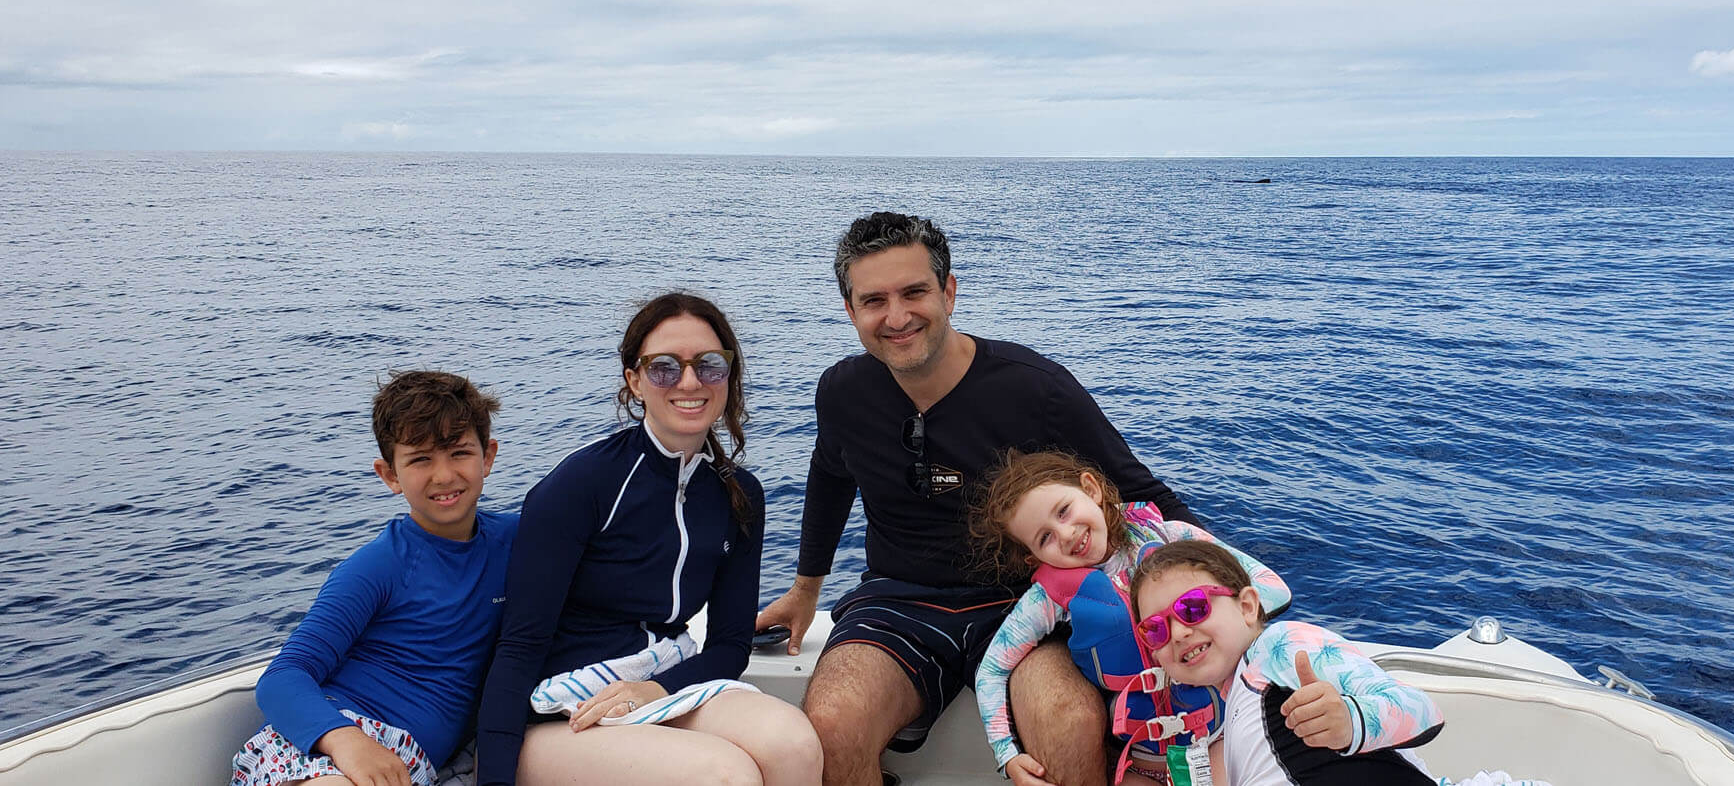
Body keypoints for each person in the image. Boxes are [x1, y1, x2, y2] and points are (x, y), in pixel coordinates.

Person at [755, 211, 1198, 786]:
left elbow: (1142, 496)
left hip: (1029, 606)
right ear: (851, 311)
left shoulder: (1036, 388)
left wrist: (1206, 602)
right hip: (898, 601)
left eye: (914, 292)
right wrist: (805, 589)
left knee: (1069, 721)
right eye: (874, 300)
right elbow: (830, 475)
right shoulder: (843, 391)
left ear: (949, 292)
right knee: (832, 724)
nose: (896, 317)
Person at [475, 293, 820, 786]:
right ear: (634, 382)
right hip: (561, 710)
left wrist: (656, 689)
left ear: (729, 374)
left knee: (795, 745)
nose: (688, 382)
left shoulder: (739, 496)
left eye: (709, 365)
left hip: (660, 678)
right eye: (663, 367)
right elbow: (519, 649)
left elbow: (727, 645)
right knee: (725, 776)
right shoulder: (580, 486)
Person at [230, 371, 518, 786]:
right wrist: (347, 743)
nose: (443, 475)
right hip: (330, 742)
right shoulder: (378, 566)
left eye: (459, 453)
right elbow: (283, 677)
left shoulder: (521, 539)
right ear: (390, 475)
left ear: (488, 457)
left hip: (408, 762)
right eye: (420, 459)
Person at [967, 450, 1292, 786]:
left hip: (1223, 734)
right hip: (1143, 760)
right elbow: (992, 669)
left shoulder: (1172, 536)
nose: (1064, 534)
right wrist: (1006, 753)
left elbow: (1272, 589)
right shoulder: (1047, 599)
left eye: (1063, 511)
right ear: (1033, 558)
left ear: (1091, 489)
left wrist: (1203, 617)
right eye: (1044, 537)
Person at [1132, 541, 1550, 786]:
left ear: (1246, 607)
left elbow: (1422, 712)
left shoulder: (1282, 647)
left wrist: (1351, 720)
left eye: (1192, 608)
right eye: (1156, 629)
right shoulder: (1237, 700)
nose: (1179, 632)